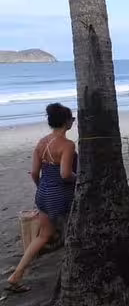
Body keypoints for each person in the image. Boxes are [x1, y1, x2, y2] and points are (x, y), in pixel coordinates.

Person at [5, 103, 77, 294]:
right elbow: (65, 174)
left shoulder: (42, 143)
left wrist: (42, 190)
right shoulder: (68, 145)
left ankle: (16, 275)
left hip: (43, 194)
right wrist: (80, 179)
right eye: (72, 119)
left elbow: (35, 173)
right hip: (62, 196)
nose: (73, 122)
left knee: (43, 236)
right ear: (67, 123)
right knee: (74, 232)